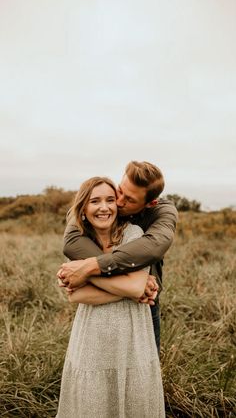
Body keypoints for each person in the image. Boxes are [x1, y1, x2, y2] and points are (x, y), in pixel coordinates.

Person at [56, 176, 165, 418]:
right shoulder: (80, 241)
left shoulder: (134, 234)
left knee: (134, 397)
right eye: (95, 201)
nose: (104, 207)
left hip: (132, 331)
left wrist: (85, 272)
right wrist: (129, 288)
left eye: (109, 200)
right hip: (91, 335)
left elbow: (137, 286)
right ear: (84, 208)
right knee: (93, 401)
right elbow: (77, 296)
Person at [58, 161, 178, 352]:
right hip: (103, 305)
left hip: (145, 304)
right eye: (120, 190)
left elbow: (154, 246)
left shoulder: (162, 212)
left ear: (150, 203)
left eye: (130, 200)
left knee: (143, 369)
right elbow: (72, 241)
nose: (119, 201)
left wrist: (90, 267)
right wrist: (132, 286)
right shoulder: (106, 205)